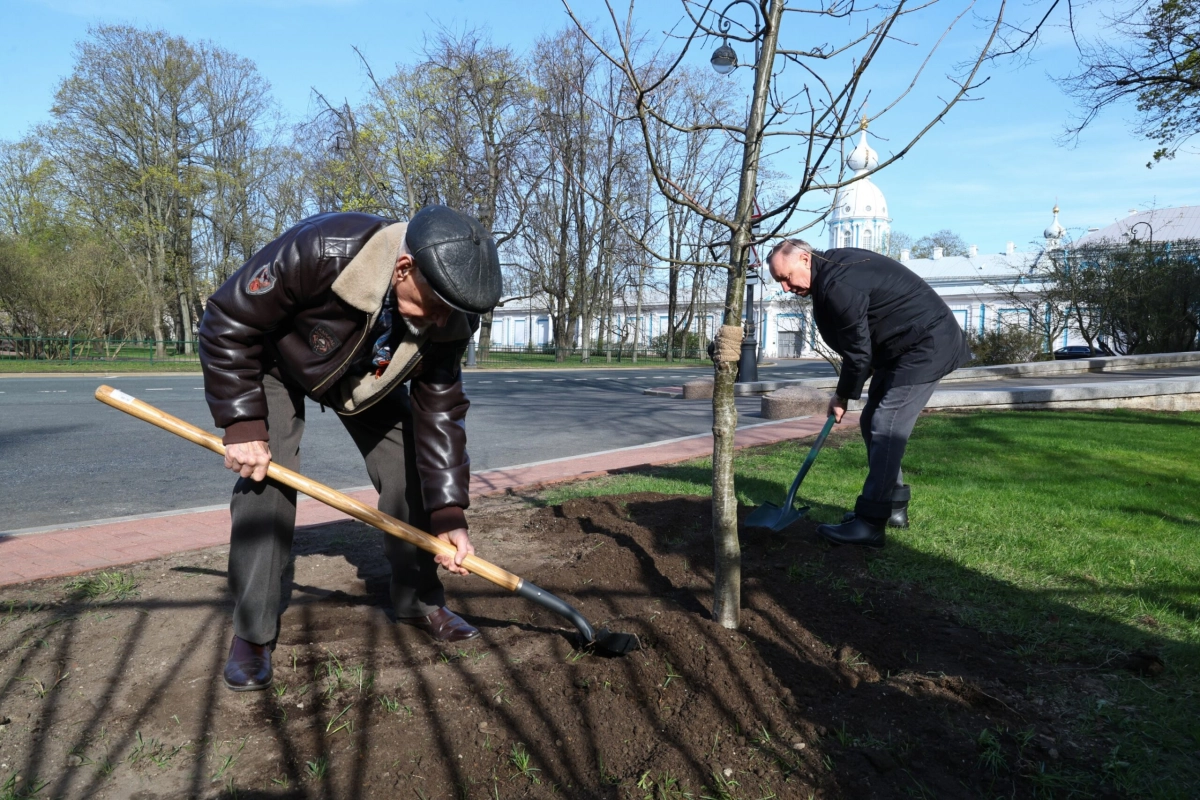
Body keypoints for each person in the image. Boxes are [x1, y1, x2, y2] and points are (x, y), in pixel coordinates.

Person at [199, 205, 502, 691]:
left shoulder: (448, 316)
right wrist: (242, 422)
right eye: (438, 304)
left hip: (364, 380)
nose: (445, 319)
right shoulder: (321, 249)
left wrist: (449, 513)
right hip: (277, 362)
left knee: (411, 469)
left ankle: (421, 600)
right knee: (266, 479)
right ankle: (252, 634)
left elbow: (441, 414)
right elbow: (228, 318)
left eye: (455, 311)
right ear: (404, 268)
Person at [766, 239, 970, 548]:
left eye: (785, 277)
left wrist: (842, 396)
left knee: (887, 424)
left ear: (805, 259)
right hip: (898, 348)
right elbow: (862, 339)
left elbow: (858, 353)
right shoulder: (831, 274)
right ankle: (894, 507)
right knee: (871, 422)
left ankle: (870, 524)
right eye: (778, 280)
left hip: (925, 345)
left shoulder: (839, 282)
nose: (784, 287)